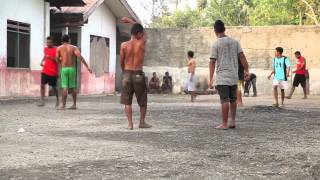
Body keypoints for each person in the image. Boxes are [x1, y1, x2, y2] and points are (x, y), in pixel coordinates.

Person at [209, 20, 249, 130]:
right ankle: (233, 122)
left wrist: (210, 78)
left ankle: (224, 123)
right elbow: (242, 56)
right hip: (233, 76)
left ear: (215, 31)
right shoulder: (235, 42)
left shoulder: (216, 44)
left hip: (222, 77)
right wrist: (246, 70)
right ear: (224, 29)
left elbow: (212, 62)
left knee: (224, 100)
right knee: (233, 100)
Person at [119, 17, 151, 130]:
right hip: (138, 73)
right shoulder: (141, 42)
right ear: (138, 33)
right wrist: (133, 22)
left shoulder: (123, 45)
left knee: (127, 101)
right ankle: (142, 122)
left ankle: (130, 124)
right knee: (142, 100)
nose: (142, 35)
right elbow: (145, 33)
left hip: (127, 74)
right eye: (140, 33)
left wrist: (124, 72)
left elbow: (121, 62)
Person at [56, 35, 92, 110]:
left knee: (64, 87)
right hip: (72, 69)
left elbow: (57, 60)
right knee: (73, 87)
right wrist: (87, 67)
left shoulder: (59, 48)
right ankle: (74, 104)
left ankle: (63, 106)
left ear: (62, 41)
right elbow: (80, 57)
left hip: (64, 69)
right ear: (69, 40)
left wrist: (61, 59)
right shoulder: (74, 47)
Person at [38, 36, 59, 107]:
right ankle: (42, 101)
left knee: (54, 87)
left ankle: (57, 100)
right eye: (47, 42)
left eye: (49, 42)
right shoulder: (45, 49)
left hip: (53, 72)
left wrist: (52, 58)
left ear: (53, 43)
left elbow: (58, 61)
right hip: (45, 70)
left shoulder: (56, 50)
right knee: (42, 85)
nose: (48, 43)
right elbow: (45, 56)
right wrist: (42, 61)